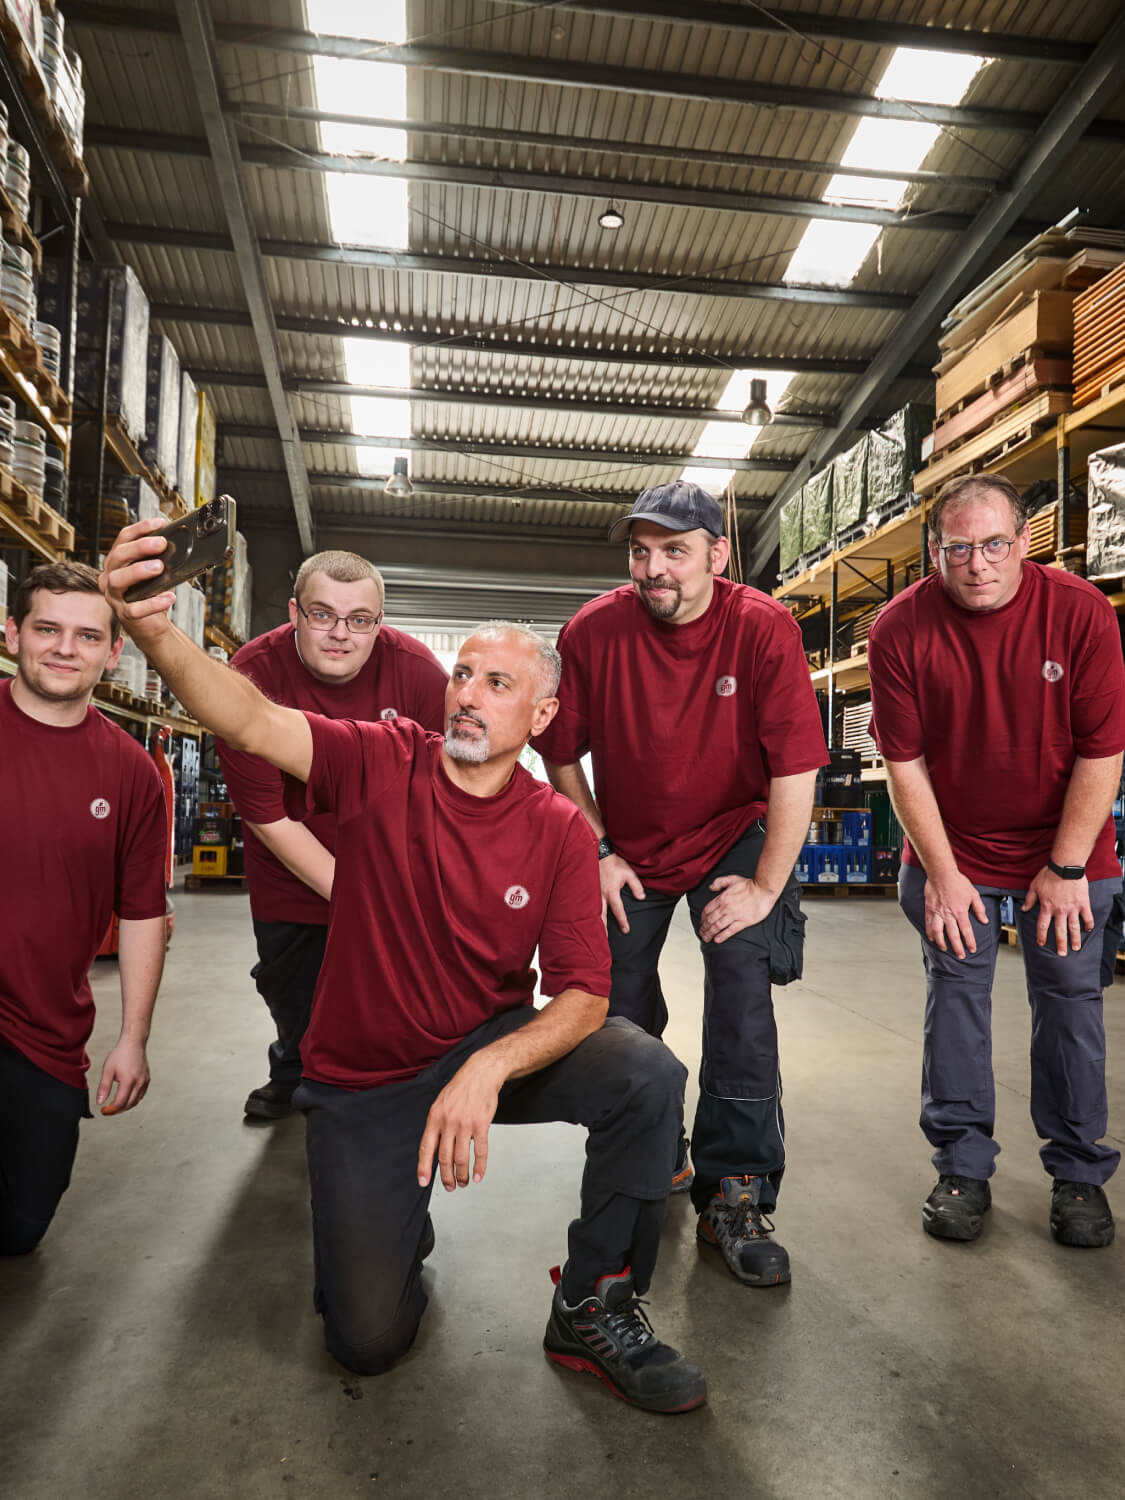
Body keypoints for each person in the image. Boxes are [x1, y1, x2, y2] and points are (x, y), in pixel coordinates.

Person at [100, 521, 706, 1414]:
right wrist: (152, 629)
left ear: (539, 719)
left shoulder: (557, 831)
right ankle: (388, 1226)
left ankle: (593, 1302)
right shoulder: (384, 760)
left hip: (479, 1046)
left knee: (646, 1073)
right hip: (365, 1076)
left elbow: (583, 993)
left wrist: (488, 1068)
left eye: (497, 683)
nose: (466, 694)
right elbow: (250, 717)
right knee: (367, 1342)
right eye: (461, 673)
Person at [534, 480, 828, 1289]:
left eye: (673, 550)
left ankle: (734, 1190)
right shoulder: (593, 631)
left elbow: (795, 769)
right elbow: (559, 752)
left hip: (736, 829)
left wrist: (767, 887)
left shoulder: (762, 628)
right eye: (640, 551)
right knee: (616, 1004)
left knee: (740, 987)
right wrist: (595, 848)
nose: (653, 568)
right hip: (632, 841)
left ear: (716, 555)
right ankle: (652, 1150)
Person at [867, 472, 1125, 1248]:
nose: (975, 564)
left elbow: (1102, 750)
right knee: (956, 997)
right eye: (956, 548)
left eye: (992, 545)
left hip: (1067, 848)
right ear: (934, 551)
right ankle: (961, 1167)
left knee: (1071, 1002)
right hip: (956, 848)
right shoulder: (898, 628)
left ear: (1023, 542)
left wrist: (1068, 867)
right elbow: (902, 764)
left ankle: (1078, 1174)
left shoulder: (1078, 612)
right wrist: (941, 875)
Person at [215, 550, 446, 1122]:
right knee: (291, 991)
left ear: (379, 623)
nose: (341, 634)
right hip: (290, 872)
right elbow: (271, 816)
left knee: (379, 1000)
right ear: (294, 612)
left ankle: (368, 1092)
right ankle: (291, 1067)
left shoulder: (417, 673)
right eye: (323, 615)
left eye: (360, 620)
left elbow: (449, 784)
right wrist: (363, 897)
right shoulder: (251, 675)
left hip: (386, 870)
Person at [0, 561, 167, 1255]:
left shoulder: (131, 771)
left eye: (86, 635)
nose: (65, 648)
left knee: (20, 1229)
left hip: (44, 1031)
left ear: (113, 650)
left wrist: (133, 1037)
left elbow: (142, 914)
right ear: (12, 635)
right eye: (47, 629)